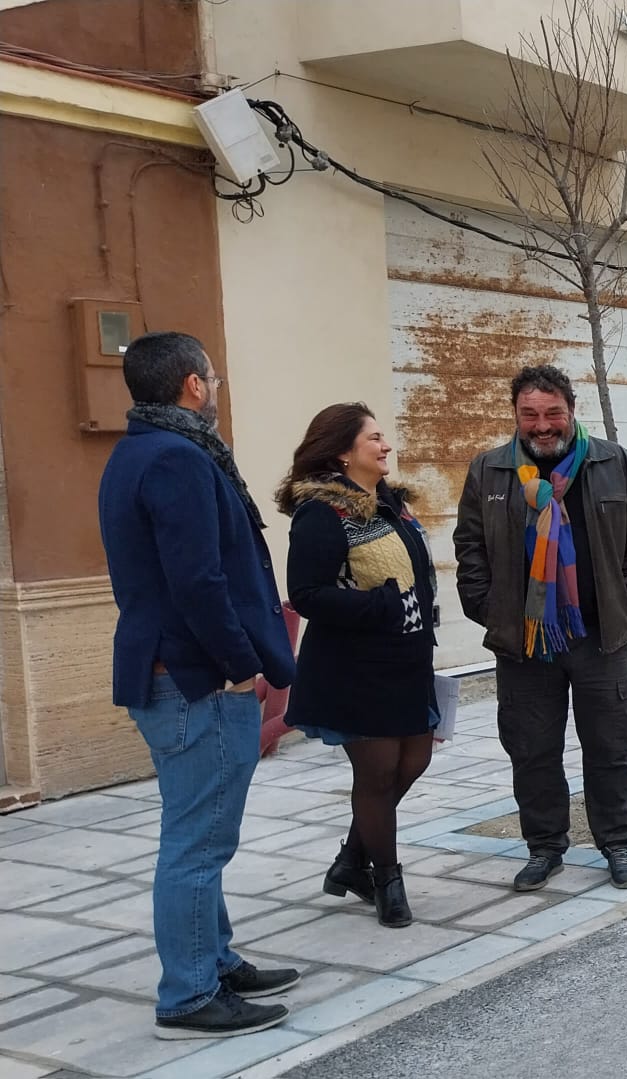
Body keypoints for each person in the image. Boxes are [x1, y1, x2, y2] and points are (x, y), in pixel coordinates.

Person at [97, 332, 299, 1039]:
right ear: (192, 384)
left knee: (197, 831)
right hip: (195, 679)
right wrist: (241, 663)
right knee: (198, 842)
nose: (216, 387)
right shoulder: (177, 457)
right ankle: (187, 994)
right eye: (212, 377)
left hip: (171, 671)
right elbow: (198, 579)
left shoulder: (136, 451)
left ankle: (214, 959)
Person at [454, 365, 627, 892]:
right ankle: (545, 848)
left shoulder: (614, 463)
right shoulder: (489, 471)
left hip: (600, 636)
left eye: (553, 413)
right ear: (515, 415)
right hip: (525, 644)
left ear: (571, 411)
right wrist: (490, 609)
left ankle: (619, 844)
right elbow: (469, 547)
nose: (542, 425)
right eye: (530, 414)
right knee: (531, 751)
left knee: (610, 748)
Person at [277, 404, 439, 928]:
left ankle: (351, 859)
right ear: (343, 452)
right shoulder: (323, 513)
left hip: (407, 659)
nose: (386, 445)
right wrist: (378, 607)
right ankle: (386, 879)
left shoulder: (390, 505)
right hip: (357, 666)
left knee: (415, 760)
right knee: (377, 773)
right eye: (374, 438)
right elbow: (306, 593)